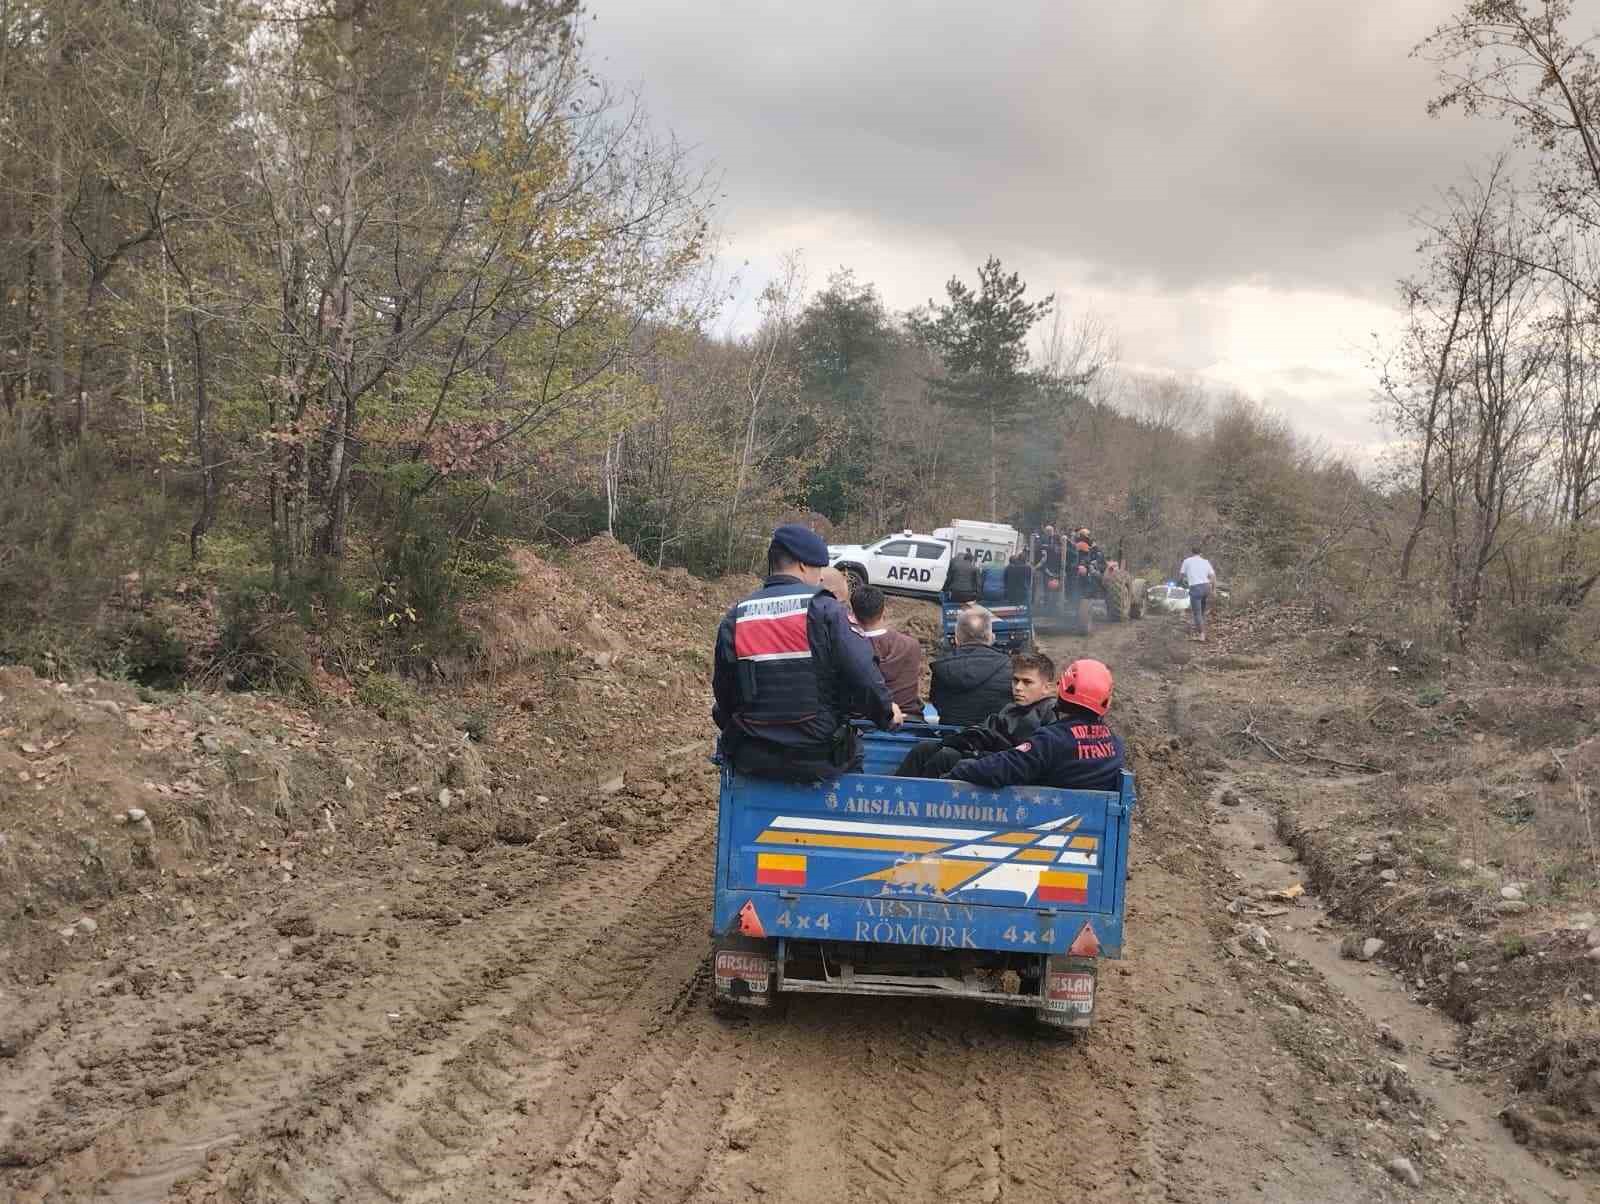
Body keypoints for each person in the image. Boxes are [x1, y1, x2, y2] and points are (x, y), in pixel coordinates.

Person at [712, 524, 903, 779]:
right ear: (802, 565)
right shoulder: (825, 609)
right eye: (818, 569)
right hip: (817, 756)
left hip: (754, 755)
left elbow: (724, 690)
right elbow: (862, 672)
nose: (820, 577)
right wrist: (887, 714)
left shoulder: (737, 616)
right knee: (854, 751)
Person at [944, 658, 1125, 791]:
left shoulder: (1052, 740)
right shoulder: (1116, 744)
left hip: (1041, 818)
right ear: (1105, 700)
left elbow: (1000, 769)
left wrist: (958, 770)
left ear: (1061, 689)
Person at [896, 651, 1057, 778]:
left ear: (1047, 687)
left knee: (946, 757)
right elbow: (983, 732)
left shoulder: (1050, 715)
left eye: (1027, 682)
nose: (1018, 688)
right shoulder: (1011, 709)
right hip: (991, 758)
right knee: (924, 749)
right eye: (1015, 680)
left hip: (1008, 769)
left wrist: (975, 753)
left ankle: (922, 803)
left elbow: (1024, 757)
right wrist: (958, 742)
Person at [928, 607, 1012, 727]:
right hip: (996, 736)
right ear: (991, 637)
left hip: (952, 736)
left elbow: (937, 702)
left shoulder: (942, 668)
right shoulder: (1009, 666)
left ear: (956, 639)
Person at [850, 585, 923, 720]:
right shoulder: (911, 645)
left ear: (853, 615)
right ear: (884, 611)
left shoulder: (848, 649)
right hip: (909, 719)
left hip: (864, 722)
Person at [1177, 544, 1217, 643]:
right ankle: (1201, 630)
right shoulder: (1206, 561)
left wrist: (1179, 584)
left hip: (1196, 588)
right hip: (1206, 587)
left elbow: (1181, 576)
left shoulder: (1187, 561)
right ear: (1201, 553)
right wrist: (1213, 590)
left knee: (1197, 613)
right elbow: (1213, 576)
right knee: (1202, 611)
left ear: (1192, 552)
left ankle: (1202, 635)